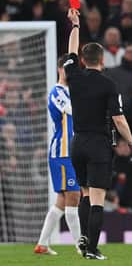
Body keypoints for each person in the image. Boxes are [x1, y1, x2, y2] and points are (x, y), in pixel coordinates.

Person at [63, 8, 132, 260]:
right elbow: (118, 119)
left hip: (77, 142)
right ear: (103, 60)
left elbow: (70, 52)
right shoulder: (109, 84)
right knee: (97, 198)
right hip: (98, 144)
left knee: (85, 193)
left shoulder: (73, 76)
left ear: (83, 61)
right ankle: (92, 249)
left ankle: (84, 237)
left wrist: (75, 25)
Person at [33, 57, 82, 255]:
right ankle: (81, 245)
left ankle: (42, 244)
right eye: (65, 69)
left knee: (62, 200)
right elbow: (72, 111)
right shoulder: (57, 92)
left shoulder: (73, 91)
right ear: (59, 69)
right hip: (62, 152)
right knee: (73, 195)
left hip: (72, 151)